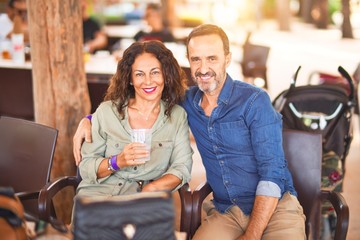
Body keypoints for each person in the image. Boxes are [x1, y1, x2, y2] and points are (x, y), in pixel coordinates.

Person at [73, 24, 306, 239]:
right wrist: (90, 119)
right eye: (196, 59)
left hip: (275, 209)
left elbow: (272, 174)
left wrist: (251, 235)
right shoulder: (187, 103)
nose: (203, 68)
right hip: (228, 212)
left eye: (212, 58)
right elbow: (141, 100)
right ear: (188, 61)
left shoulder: (254, 101)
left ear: (227, 59)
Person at [76, 40, 192, 199]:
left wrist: (150, 190)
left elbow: (182, 167)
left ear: (166, 74)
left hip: (145, 202)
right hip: (100, 195)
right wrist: (117, 162)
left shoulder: (177, 116)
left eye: (155, 72)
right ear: (130, 79)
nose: (149, 81)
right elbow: (86, 167)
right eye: (139, 74)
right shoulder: (107, 112)